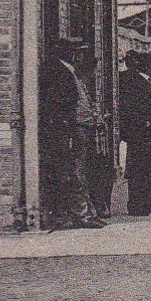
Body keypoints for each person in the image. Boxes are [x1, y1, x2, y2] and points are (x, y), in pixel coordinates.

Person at [40, 37, 102, 229]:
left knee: (78, 172)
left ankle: (84, 213)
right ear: (70, 53)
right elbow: (57, 105)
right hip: (69, 131)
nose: (81, 56)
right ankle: (82, 215)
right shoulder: (59, 72)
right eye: (79, 51)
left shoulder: (68, 72)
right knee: (74, 173)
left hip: (76, 129)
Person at [118, 49, 151, 216]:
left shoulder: (138, 80)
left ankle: (145, 202)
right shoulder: (138, 82)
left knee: (147, 168)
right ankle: (138, 204)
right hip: (142, 134)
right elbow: (138, 109)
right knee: (141, 168)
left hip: (143, 133)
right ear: (146, 67)